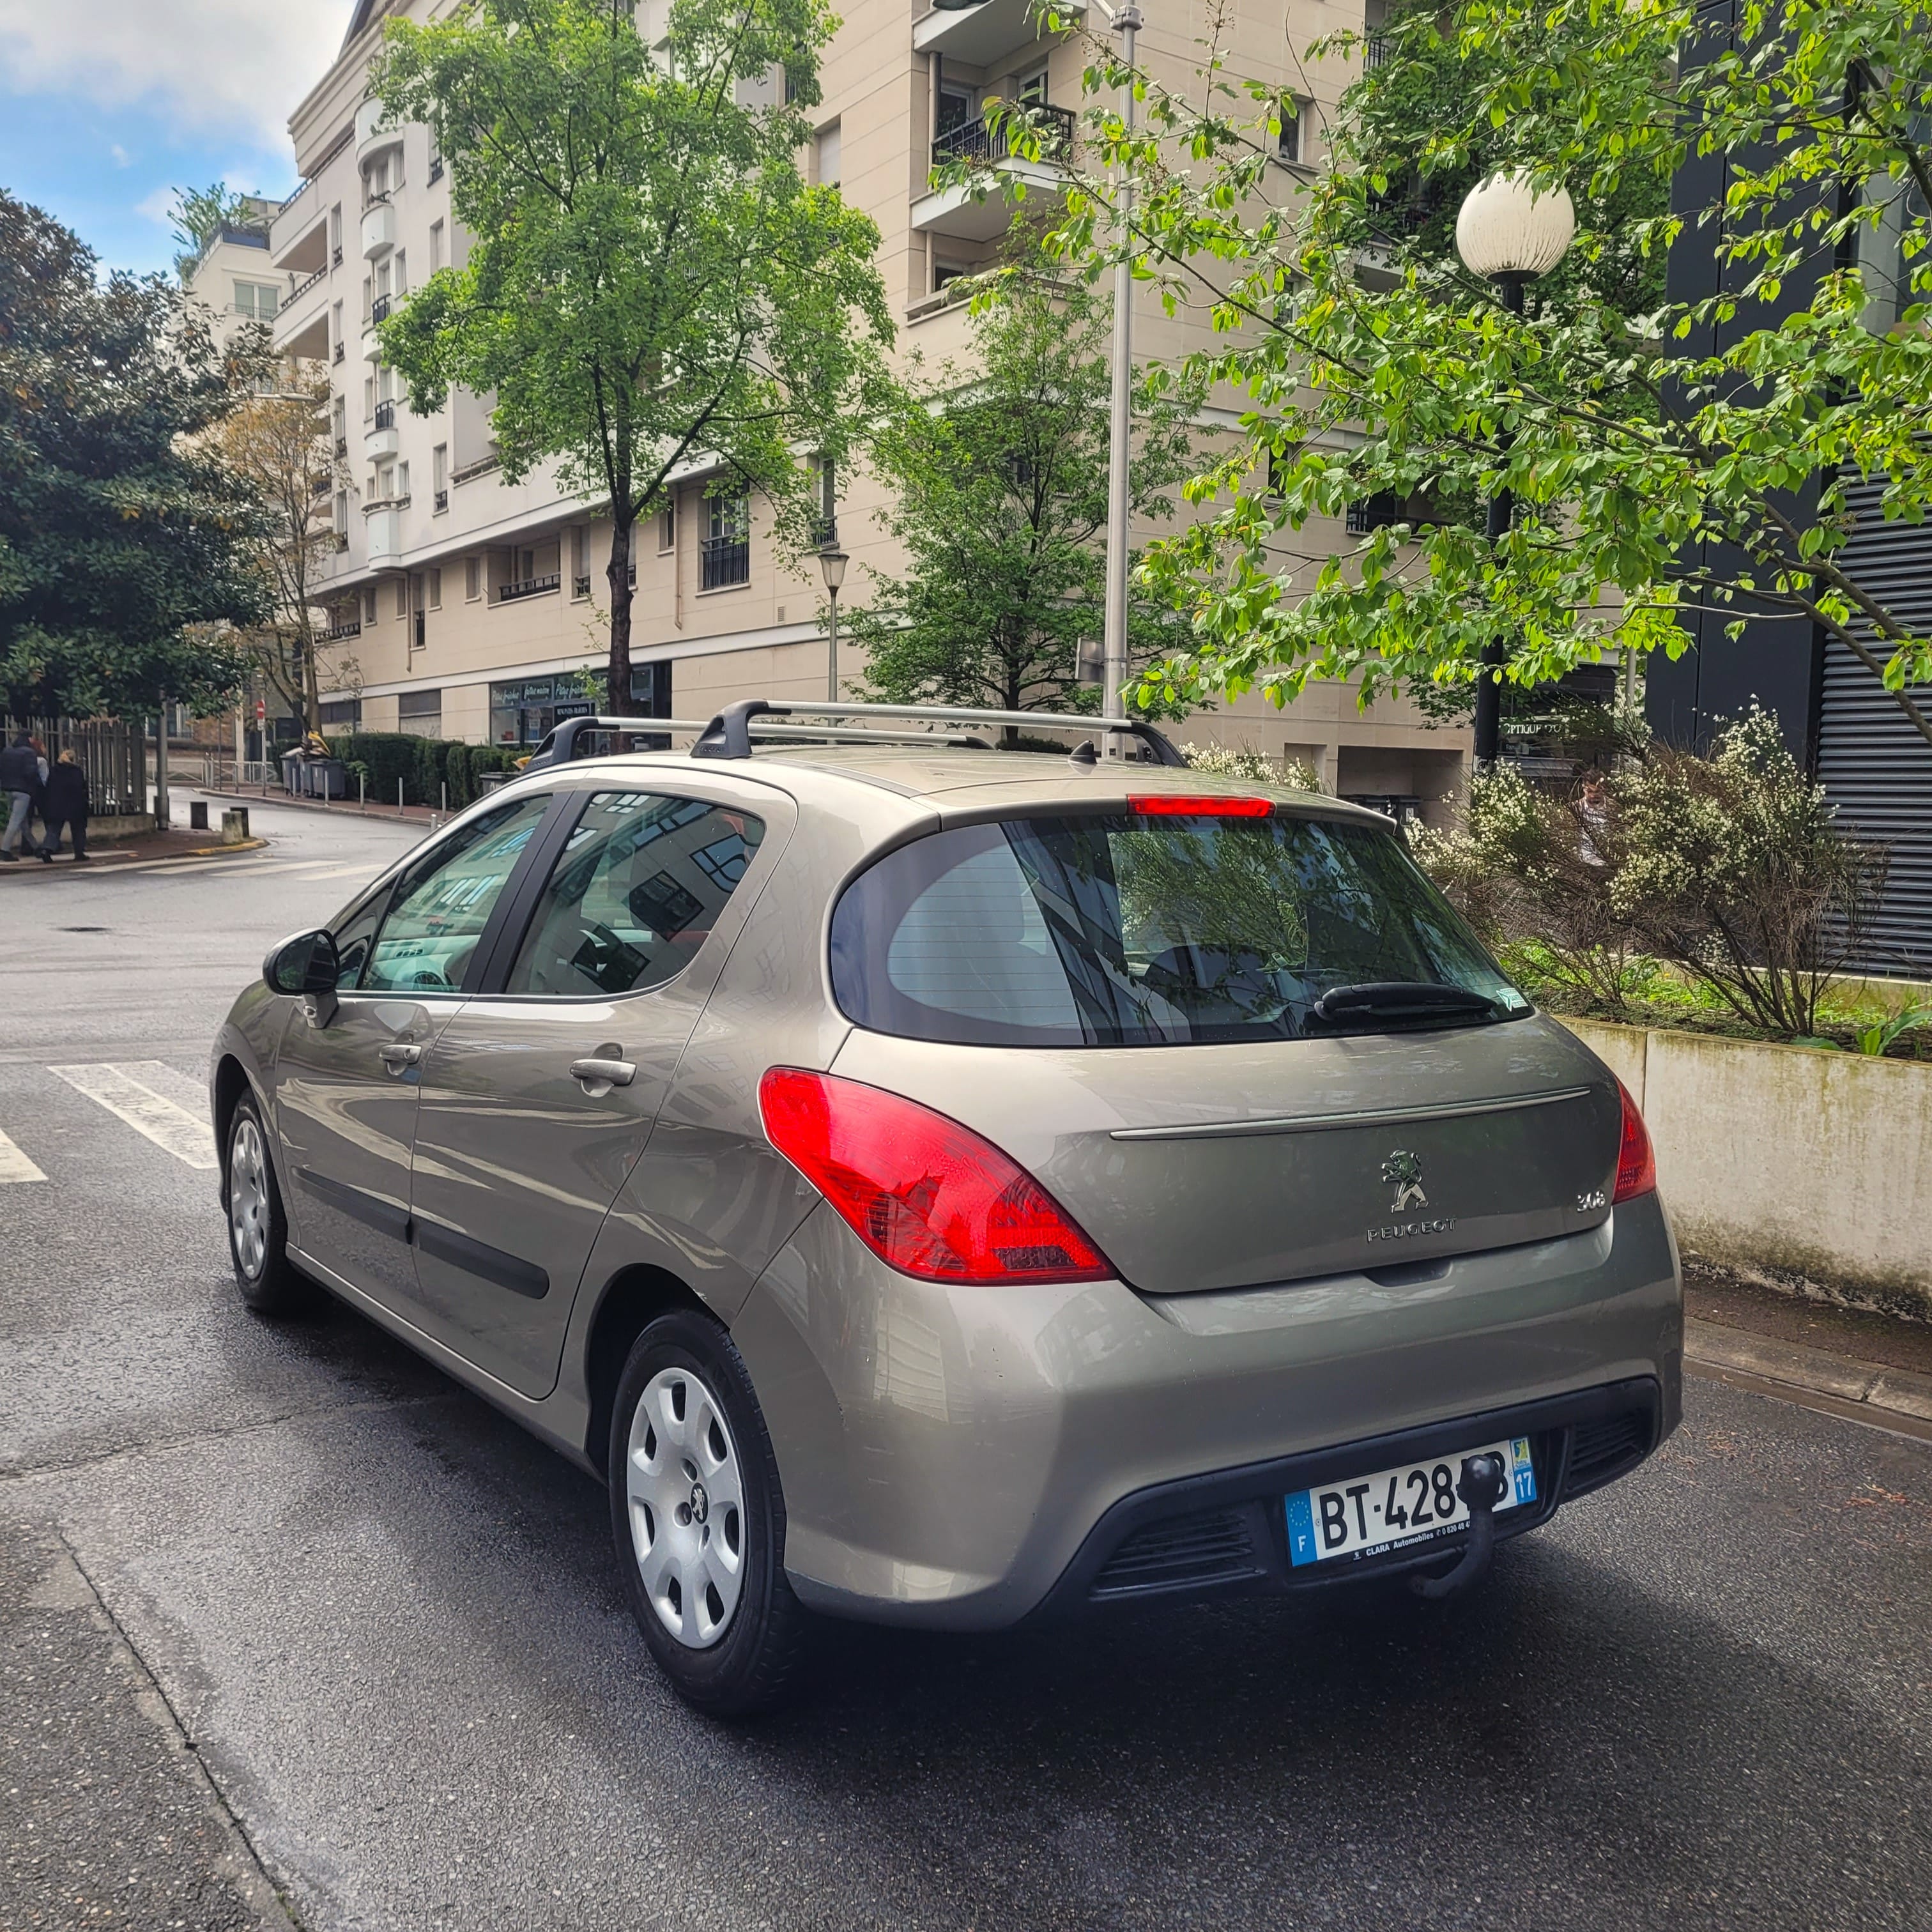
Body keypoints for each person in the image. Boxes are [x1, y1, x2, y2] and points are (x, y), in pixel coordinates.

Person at [0, 729, 44, 861]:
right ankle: (5, 850)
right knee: (16, 821)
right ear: (29, 739)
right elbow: (30, 773)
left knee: (22, 822)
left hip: (8, 789)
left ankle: (36, 848)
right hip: (23, 792)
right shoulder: (29, 753)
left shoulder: (7, 751)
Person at [40, 749, 90, 862]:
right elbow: (81, 789)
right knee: (78, 828)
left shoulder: (54, 770)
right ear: (73, 759)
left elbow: (48, 787)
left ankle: (47, 850)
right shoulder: (76, 771)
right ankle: (79, 852)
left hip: (57, 804)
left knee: (54, 829)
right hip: (75, 804)